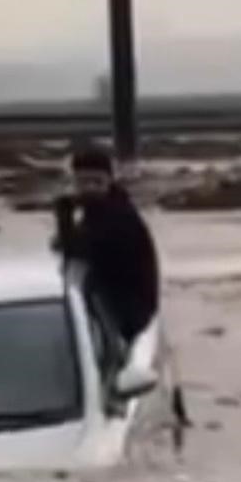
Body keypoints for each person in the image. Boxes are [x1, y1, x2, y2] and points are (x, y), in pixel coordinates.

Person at [54, 144, 161, 362]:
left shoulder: (117, 216)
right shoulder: (98, 211)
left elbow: (78, 250)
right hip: (112, 304)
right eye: (83, 182)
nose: (90, 188)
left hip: (126, 315)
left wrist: (64, 216)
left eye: (97, 182)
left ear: (109, 181)